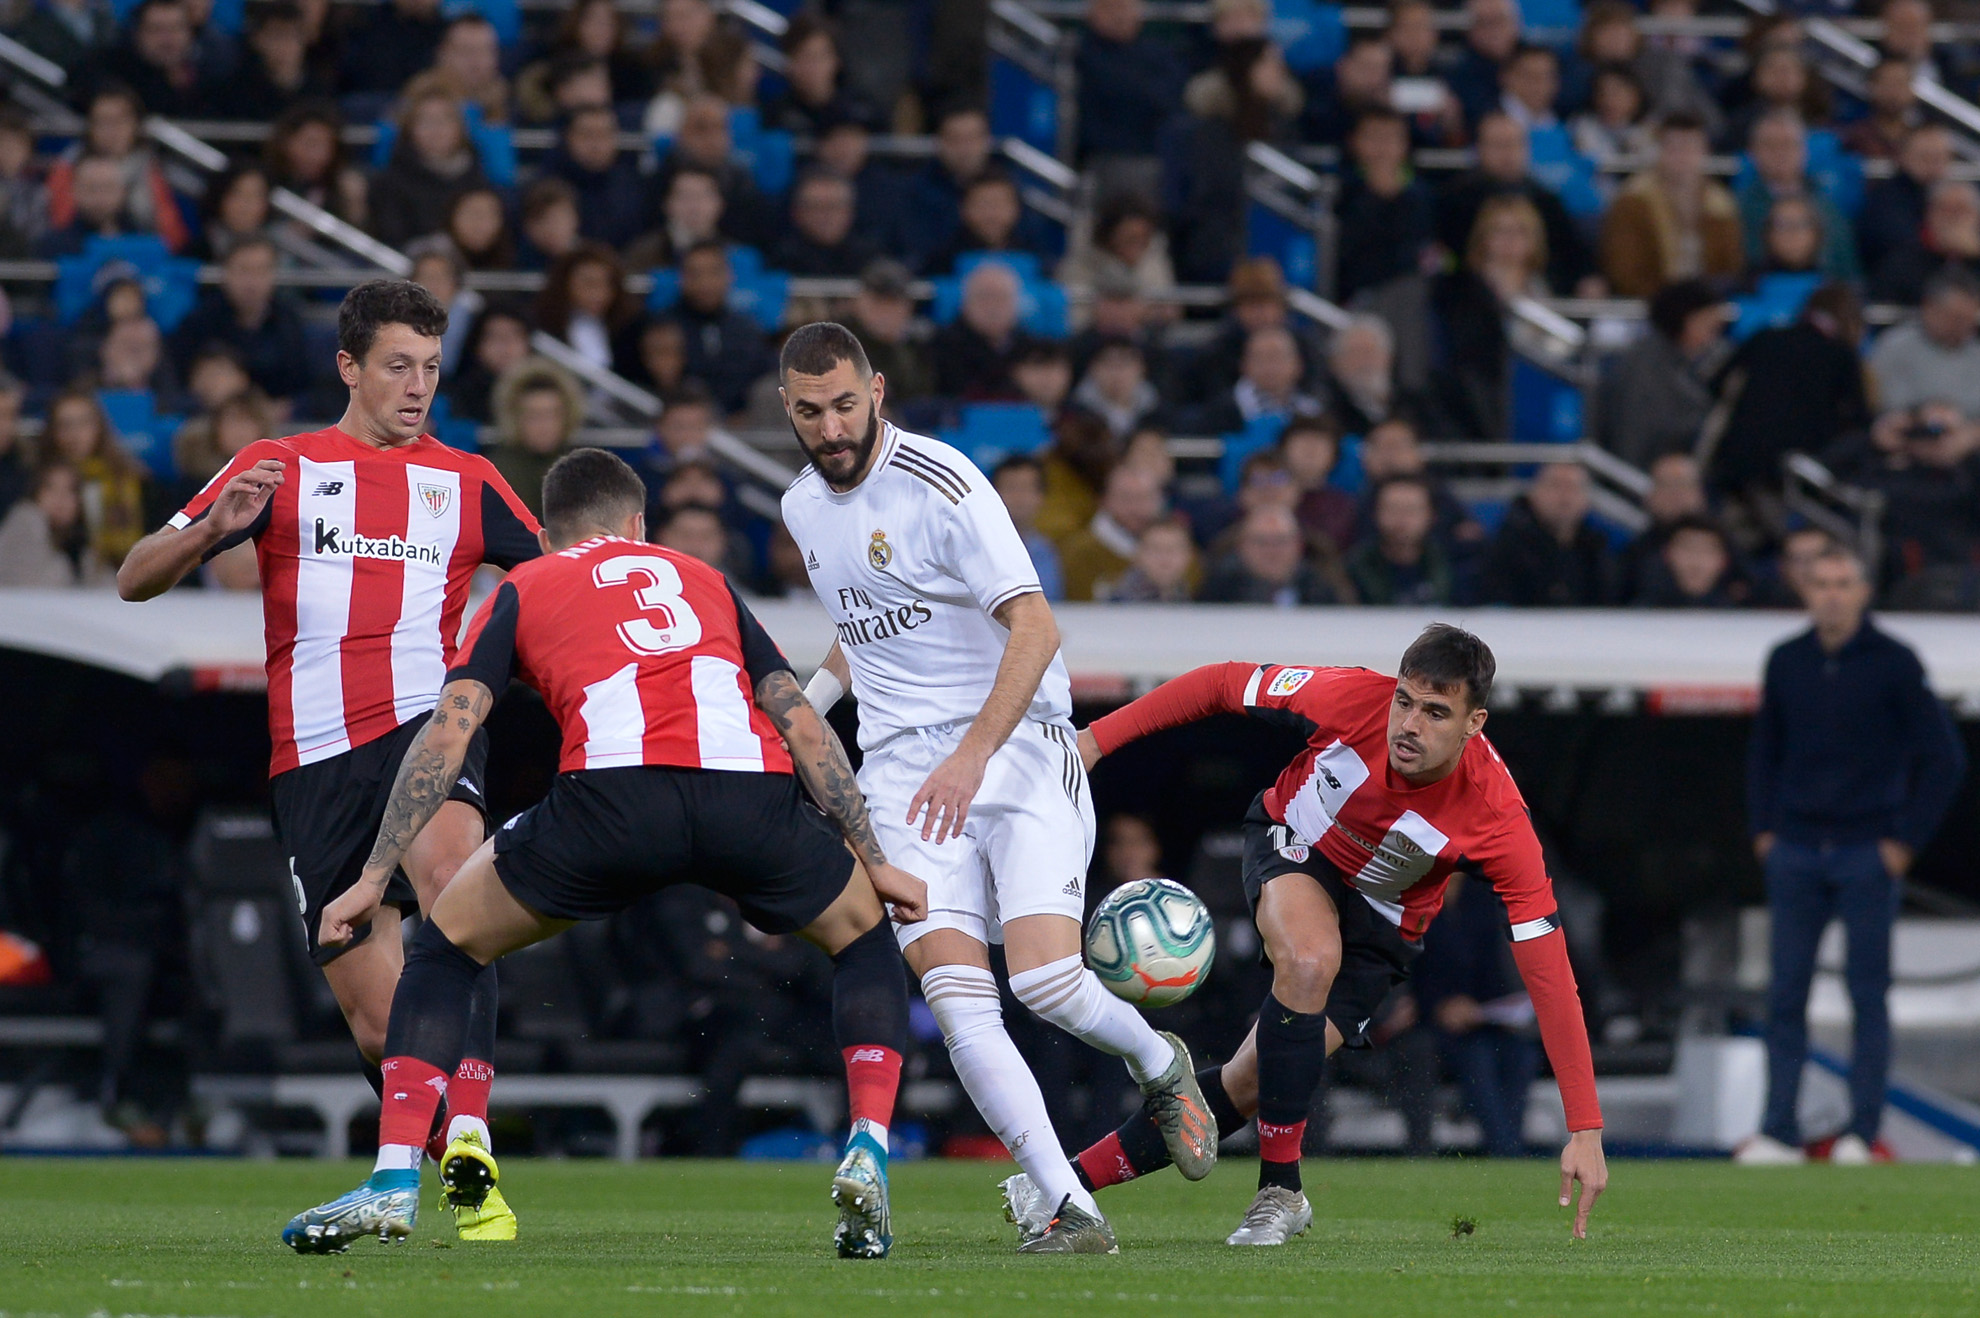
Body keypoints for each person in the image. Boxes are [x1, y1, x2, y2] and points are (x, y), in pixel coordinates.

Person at [282, 447, 924, 1254]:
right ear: (638, 525)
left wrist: (374, 875)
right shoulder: (704, 577)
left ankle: (394, 1176)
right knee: (863, 939)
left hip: (615, 800)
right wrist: (873, 856)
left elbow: (449, 731)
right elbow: (799, 718)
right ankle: (868, 1144)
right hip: (746, 797)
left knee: (445, 948)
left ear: (548, 536)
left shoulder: (525, 585)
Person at [115, 281, 543, 1242]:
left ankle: (468, 1129)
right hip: (311, 760)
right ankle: (463, 1184)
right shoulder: (280, 465)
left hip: (431, 730)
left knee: (454, 887)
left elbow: (557, 576)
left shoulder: (468, 480)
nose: (417, 387)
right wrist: (214, 533)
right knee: (378, 1025)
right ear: (347, 367)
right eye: (398, 366)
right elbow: (134, 576)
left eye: (432, 369)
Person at [779, 323, 1216, 1255]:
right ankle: (1069, 1206)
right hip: (899, 772)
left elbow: (1036, 629)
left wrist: (973, 753)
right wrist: (803, 709)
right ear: (789, 409)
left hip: (1015, 748)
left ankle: (1155, 1056)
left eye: (846, 404)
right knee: (957, 997)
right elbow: (865, 628)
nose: (832, 426)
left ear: (878, 391)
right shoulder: (801, 508)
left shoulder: (944, 482)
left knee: (1050, 981)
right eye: (811, 411)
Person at [1011, 626, 1607, 1244]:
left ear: (1473, 723)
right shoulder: (1350, 697)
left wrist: (1585, 1127)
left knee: (1253, 1079)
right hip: (1294, 844)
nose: (1408, 724)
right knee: (1309, 957)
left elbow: (1551, 975)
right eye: (1405, 701)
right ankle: (1282, 1190)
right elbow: (1220, 683)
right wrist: (1095, 740)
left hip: (1385, 927)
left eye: (1436, 713)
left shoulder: (1499, 821)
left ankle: (1063, 1183)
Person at [1741, 544, 1965, 1164]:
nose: (1833, 595)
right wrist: (1765, 830)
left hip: (1867, 851)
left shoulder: (1894, 663)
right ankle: (1778, 1131)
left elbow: (1944, 759)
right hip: (1796, 849)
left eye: (1844, 583)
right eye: (1822, 584)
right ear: (1806, 592)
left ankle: (1862, 1134)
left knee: (1869, 996)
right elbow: (1764, 752)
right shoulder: (1787, 661)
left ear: (1865, 592)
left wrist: (1904, 843)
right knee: (1785, 994)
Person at [1599, 111, 1743, 298]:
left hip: (1704, 305)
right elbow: (1624, 267)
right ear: (1659, 150)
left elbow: (1730, 266)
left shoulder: (1720, 204)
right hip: (1648, 303)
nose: (1682, 157)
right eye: (1674, 148)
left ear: (1704, 151)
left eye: (1690, 147)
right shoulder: (1633, 200)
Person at [1595, 278, 1726, 470]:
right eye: (1709, 327)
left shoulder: (1680, 366)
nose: (1712, 339)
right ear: (1685, 319)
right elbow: (1632, 439)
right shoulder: (1644, 367)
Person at [1481, 462, 1617, 606]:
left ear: (1586, 500)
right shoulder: (1507, 547)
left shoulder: (1597, 550)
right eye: (1555, 486)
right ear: (1534, 494)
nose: (1565, 496)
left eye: (1573, 487)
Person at [1865, 267, 1980, 417]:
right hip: (1905, 431)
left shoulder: (1976, 352)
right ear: (1929, 307)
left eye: (1968, 320)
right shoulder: (1894, 346)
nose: (1962, 327)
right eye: (1955, 318)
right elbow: (1883, 404)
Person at [1198, 504, 1349, 606]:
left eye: (1281, 541)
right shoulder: (1219, 589)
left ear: (1299, 545)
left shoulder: (1321, 587)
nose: (1272, 550)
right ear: (1242, 546)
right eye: (1262, 541)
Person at [1059, 463, 1165, 603]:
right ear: (1105, 500)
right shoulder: (1079, 551)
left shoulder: (1179, 545)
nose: (1135, 508)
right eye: (1126, 498)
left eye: (1144, 498)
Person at [488, 360, 582, 518]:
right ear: (515, 418)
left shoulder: (583, 468)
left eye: (552, 415)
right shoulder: (497, 473)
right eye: (534, 416)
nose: (544, 426)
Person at [1345, 475, 1456, 606]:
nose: (1402, 518)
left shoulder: (1455, 564)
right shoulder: (1351, 568)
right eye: (1392, 509)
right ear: (1375, 513)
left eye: (1412, 510)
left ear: (1431, 515)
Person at [991, 455, 1064, 602]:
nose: (1019, 498)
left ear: (1041, 496)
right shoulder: (978, 547)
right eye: (1011, 488)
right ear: (992, 494)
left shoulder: (1047, 551)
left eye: (1026, 488)